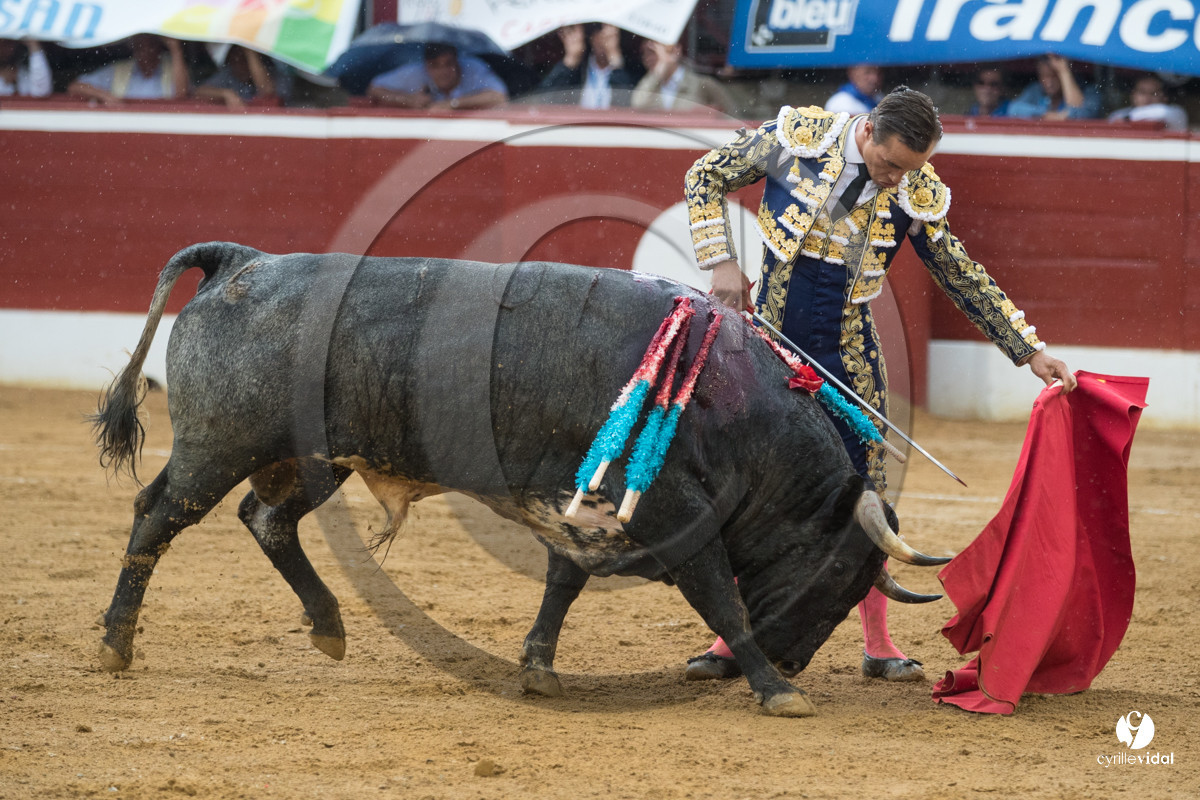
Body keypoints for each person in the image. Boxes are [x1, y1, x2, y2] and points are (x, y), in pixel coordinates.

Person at [683, 86, 1075, 683]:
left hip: (850, 352)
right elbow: (705, 175)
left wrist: (1029, 351)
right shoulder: (797, 140)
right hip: (768, 340)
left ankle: (879, 641)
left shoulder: (915, 188)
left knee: (864, 490)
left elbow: (958, 271)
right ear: (865, 131)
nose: (897, 180)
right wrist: (721, 261)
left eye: (910, 168)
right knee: (753, 486)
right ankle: (731, 637)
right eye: (890, 164)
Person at [367, 41, 507, 110]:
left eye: (448, 64)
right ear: (426, 66)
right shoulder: (415, 72)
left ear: (457, 62)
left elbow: (499, 96)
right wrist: (407, 100)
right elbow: (374, 89)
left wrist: (452, 104)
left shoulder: (473, 67)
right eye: (435, 65)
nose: (443, 71)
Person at [67, 34, 189, 104]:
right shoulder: (120, 69)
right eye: (140, 47)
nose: (146, 52)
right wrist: (105, 96)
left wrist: (176, 50)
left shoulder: (172, 68)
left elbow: (182, 94)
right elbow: (75, 87)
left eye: (151, 46)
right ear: (133, 49)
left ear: (159, 48)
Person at [539, 23, 637, 109]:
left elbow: (630, 104)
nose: (603, 39)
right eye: (598, 33)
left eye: (610, 36)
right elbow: (545, 99)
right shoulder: (579, 68)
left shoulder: (632, 68)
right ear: (591, 38)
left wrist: (615, 58)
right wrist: (571, 60)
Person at [630, 39, 734, 114]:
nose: (648, 58)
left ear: (675, 51)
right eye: (644, 53)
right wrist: (656, 73)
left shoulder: (702, 84)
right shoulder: (650, 84)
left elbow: (733, 116)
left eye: (654, 52)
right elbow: (638, 104)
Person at [1008, 55, 1101, 120]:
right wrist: (1048, 116)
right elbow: (1014, 109)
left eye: (1054, 76)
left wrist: (1064, 72)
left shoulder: (1088, 90)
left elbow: (1083, 115)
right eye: (1044, 76)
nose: (1049, 82)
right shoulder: (1036, 90)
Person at [194, 45, 279, 109]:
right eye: (235, 58)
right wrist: (225, 94)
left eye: (244, 58)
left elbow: (267, 91)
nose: (239, 62)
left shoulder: (271, 74)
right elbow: (198, 91)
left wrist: (250, 53)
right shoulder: (227, 74)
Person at [1107, 73, 1188, 132]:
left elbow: (1164, 112)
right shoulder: (1120, 114)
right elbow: (1113, 120)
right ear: (1133, 95)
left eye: (1153, 93)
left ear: (1164, 97)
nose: (1147, 98)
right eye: (1142, 92)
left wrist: (1127, 119)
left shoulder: (1176, 112)